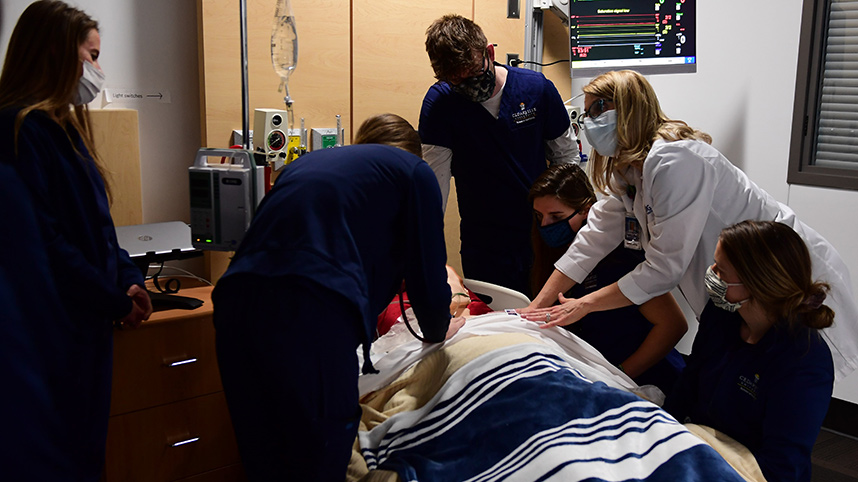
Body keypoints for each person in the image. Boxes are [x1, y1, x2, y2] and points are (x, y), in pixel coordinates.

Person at [522, 69, 858, 381]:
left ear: (629, 110)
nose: (589, 122)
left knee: (788, 384)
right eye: (587, 113)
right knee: (741, 387)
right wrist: (536, 308)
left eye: (598, 110)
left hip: (781, 275)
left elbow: (665, 268)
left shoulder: (675, 160)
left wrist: (585, 304)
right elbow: (593, 239)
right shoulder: (629, 172)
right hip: (736, 291)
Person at [212, 113, 464, 481]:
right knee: (321, 451)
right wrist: (441, 326)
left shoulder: (307, 165)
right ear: (415, 153)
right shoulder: (414, 173)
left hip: (235, 305)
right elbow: (427, 270)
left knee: (264, 453)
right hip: (309, 312)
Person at [0, 1, 152, 479]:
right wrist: (111, 299)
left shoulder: (65, 131)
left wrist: (129, 278)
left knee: (86, 454)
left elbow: (98, 230)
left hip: (87, 326)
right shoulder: (20, 130)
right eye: (90, 56)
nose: (97, 70)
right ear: (54, 54)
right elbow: (46, 242)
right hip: (52, 333)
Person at [419, 14, 579, 297]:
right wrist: (426, 252)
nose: (467, 86)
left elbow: (566, 159)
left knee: (548, 315)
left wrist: (564, 221)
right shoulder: (441, 104)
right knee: (496, 322)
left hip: (542, 230)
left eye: (473, 73)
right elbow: (434, 187)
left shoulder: (536, 89)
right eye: (457, 82)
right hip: (484, 239)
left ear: (489, 53)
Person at [663, 220, 834, 482]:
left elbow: (781, 466)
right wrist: (661, 431)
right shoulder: (721, 315)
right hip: (699, 442)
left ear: (757, 282)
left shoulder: (804, 361)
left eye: (721, 270)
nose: (711, 275)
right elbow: (690, 380)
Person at [529, 163, 686, 392]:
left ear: (586, 211)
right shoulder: (551, 260)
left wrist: (618, 375)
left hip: (647, 379)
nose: (545, 225)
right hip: (596, 378)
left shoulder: (620, 258)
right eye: (539, 216)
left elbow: (673, 325)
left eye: (556, 216)